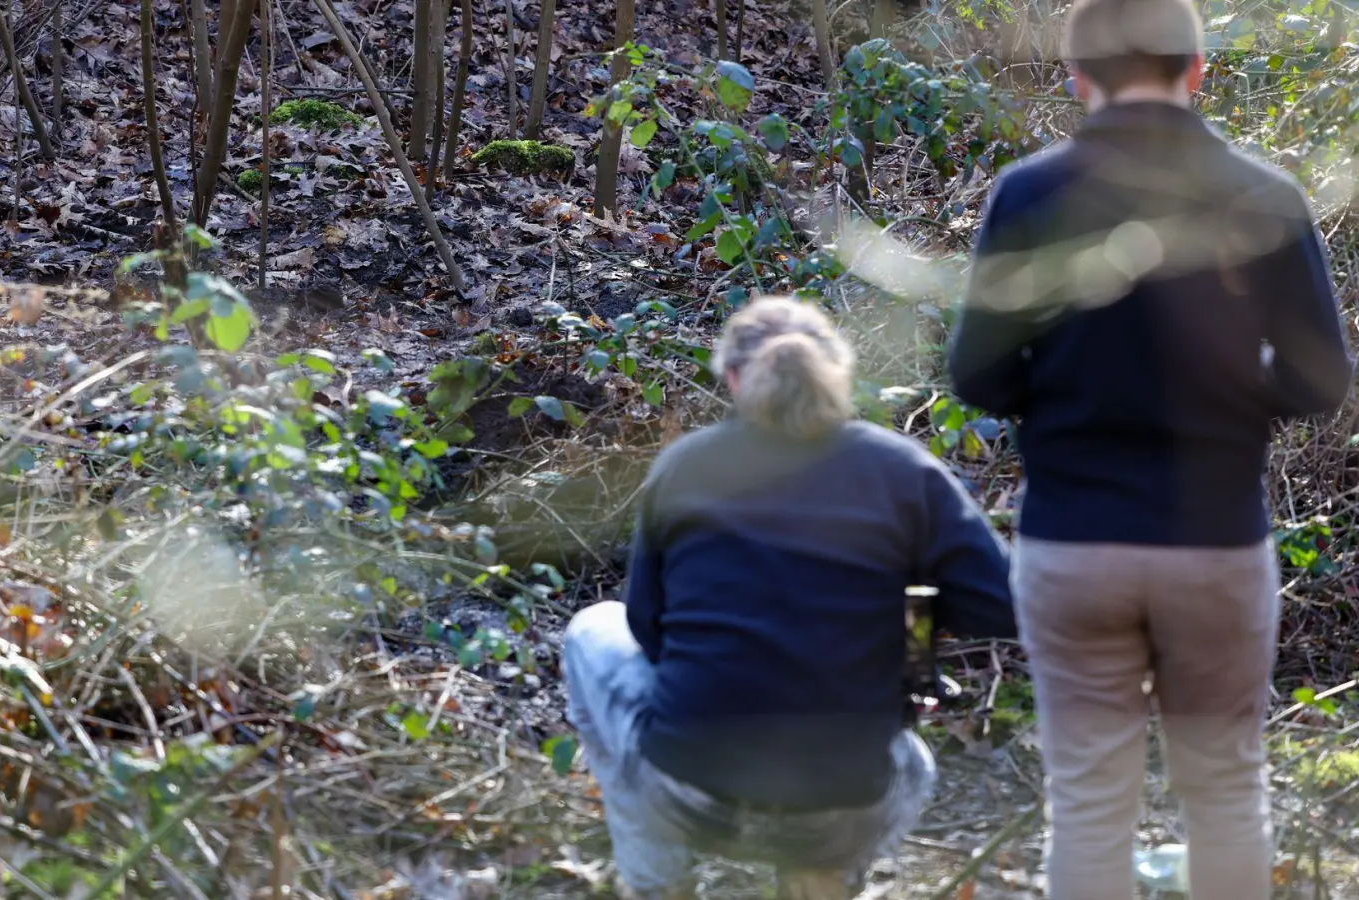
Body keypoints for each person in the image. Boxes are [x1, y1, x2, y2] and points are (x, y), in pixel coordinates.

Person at [946, 0, 1354, 898]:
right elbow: (1323, 380)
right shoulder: (1264, 195)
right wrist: (1237, 398)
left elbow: (976, 373)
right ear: (1196, 69)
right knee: (1226, 794)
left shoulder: (1029, 194)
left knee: (1089, 805)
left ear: (1078, 78)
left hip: (1074, 542)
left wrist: (1065, 400)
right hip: (1214, 541)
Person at [562, 295, 1018, 900]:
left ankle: (659, 884)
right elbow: (1005, 606)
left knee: (593, 628)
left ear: (732, 378)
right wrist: (913, 610)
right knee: (912, 762)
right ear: (838, 374)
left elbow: (647, 629)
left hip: (688, 791)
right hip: (843, 807)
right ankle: (820, 878)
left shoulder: (686, 467)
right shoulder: (904, 471)